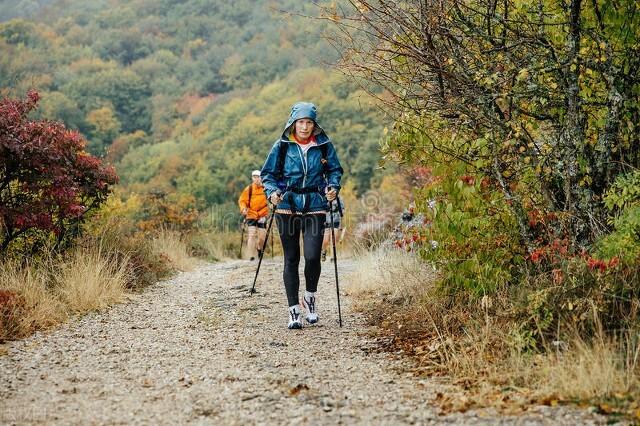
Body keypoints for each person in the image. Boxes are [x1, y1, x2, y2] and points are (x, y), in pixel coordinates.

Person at [261, 102, 343, 329]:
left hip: (315, 204)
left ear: (314, 124)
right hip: (287, 205)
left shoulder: (324, 145)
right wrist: (271, 192)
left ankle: (310, 298)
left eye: (309, 122)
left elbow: (335, 170)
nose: (305, 127)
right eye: (301, 122)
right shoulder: (282, 146)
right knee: (291, 258)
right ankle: (293, 310)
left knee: (313, 256)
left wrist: (333, 186)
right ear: (293, 123)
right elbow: (268, 174)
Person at [238, 170, 269, 261]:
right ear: (252, 178)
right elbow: (242, 200)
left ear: (261, 178)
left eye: (258, 177)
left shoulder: (266, 188)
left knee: (262, 237)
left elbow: (270, 200)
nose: (256, 179)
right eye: (254, 177)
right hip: (251, 214)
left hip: (262, 214)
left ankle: (259, 249)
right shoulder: (249, 189)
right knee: (251, 235)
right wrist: (243, 208)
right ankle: (251, 255)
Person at [322, 196, 345, 262]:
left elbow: (342, 210)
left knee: (333, 239)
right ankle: (323, 251)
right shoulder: (324, 197)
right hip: (326, 221)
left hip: (335, 220)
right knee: (325, 240)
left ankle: (333, 257)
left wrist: (339, 212)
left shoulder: (339, 198)